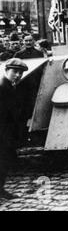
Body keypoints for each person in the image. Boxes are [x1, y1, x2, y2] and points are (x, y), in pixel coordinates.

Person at [0, 58, 28, 200]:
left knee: (5, 162)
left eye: (20, 73)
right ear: (6, 70)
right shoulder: (2, 86)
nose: (17, 75)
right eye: (15, 71)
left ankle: (1, 190)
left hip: (6, 132)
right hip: (2, 133)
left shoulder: (10, 85)